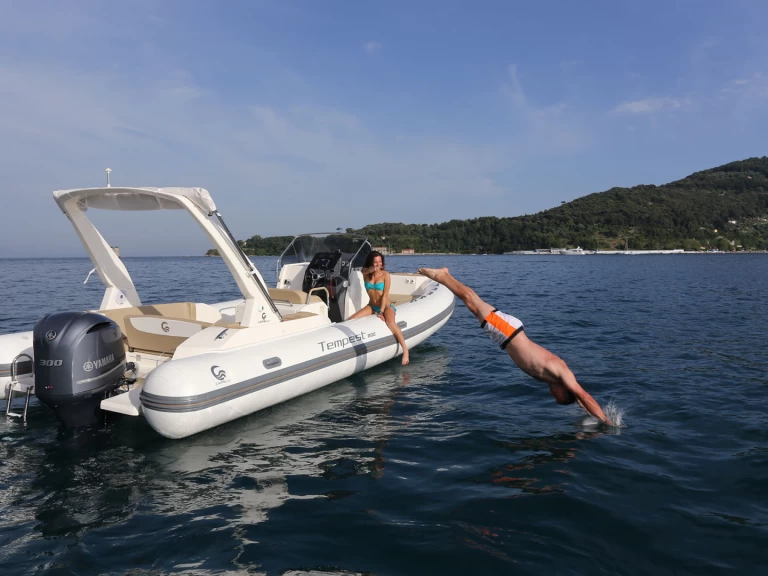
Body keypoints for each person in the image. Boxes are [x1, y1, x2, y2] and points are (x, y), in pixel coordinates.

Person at [417, 267, 612, 424]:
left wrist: (588, 415)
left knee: (473, 305)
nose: (552, 395)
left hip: (508, 335)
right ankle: (442, 276)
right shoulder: (564, 375)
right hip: (508, 332)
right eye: (557, 396)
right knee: (472, 302)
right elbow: (584, 395)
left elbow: (580, 399)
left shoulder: (558, 379)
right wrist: (605, 421)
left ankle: (447, 275)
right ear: (565, 390)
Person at [350, 251, 410, 365]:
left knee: (391, 323)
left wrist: (381, 311)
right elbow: (363, 270)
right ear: (370, 263)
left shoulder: (386, 275)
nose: (378, 264)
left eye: (380, 262)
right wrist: (371, 270)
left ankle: (405, 350)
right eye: (375, 262)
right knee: (351, 319)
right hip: (371, 306)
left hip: (386, 306)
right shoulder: (365, 273)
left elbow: (385, 295)